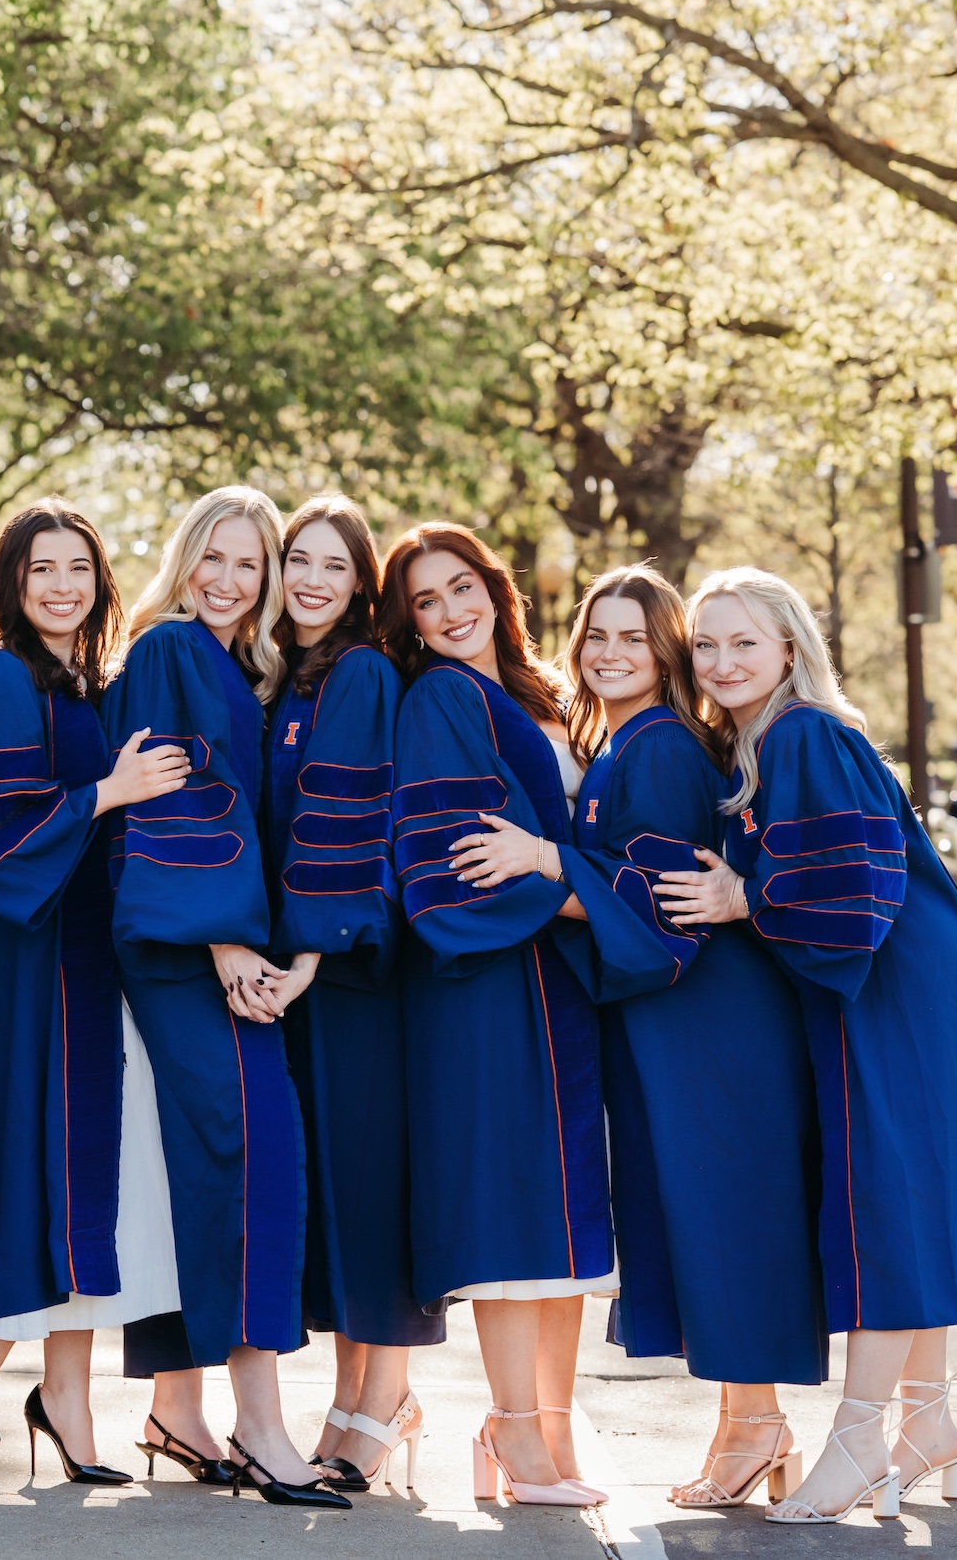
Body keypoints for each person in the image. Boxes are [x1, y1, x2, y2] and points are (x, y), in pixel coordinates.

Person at [654, 567, 957, 1525]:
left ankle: (856, 1437)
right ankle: (927, 1421)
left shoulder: (805, 733)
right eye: (707, 646)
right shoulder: (766, 741)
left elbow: (854, 893)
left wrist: (745, 896)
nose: (722, 663)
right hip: (905, 986)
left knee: (881, 1210)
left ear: (792, 649)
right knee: (909, 1203)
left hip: (889, 990)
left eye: (744, 643)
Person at [452, 565, 829, 1510]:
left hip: (709, 1021)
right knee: (706, 1218)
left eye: (635, 637)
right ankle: (749, 1425)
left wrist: (542, 857)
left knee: (727, 1217)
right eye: (596, 635)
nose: (611, 652)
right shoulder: (623, 740)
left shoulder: (658, 747)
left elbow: (660, 902)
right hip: (671, 1017)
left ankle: (756, 1424)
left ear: (665, 652)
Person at [101, 486, 346, 1510]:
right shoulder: (166, 648)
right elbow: (175, 807)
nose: (231, 578)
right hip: (187, 945)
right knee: (256, 1147)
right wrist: (225, 938)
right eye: (215, 554)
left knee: (206, 1161)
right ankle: (260, 1424)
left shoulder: (248, 670)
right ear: (185, 555)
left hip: (214, 942)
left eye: (252, 562)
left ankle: (178, 1407)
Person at [0, 499, 188, 1487]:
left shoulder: (93, 680)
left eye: (76, 567)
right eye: (38, 568)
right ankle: (1, 1354)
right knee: (62, 1171)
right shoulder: (3, 678)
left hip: (96, 959)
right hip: (36, 962)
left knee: (96, 1182)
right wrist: (102, 796)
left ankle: (58, 1393)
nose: (58, 585)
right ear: (10, 582)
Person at [382, 523, 610, 1510]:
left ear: (494, 587)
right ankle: (513, 1428)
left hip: (559, 987)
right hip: (485, 988)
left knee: (561, 1227)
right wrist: (595, 898)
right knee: (512, 1212)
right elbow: (454, 863)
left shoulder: (547, 696)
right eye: (424, 601)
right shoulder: (439, 698)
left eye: (460, 585)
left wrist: (576, 882)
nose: (448, 610)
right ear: (410, 624)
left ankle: (543, 1437)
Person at [264, 496, 435, 1494]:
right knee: (333, 1185)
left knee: (368, 1184)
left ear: (361, 581)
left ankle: (387, 1397)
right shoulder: (295, 678)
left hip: (349, 971)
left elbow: (357, 813)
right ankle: (349, 1394)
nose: (312, 579)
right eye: (299, 559)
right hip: (304, 973)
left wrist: (319, 950)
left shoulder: (361, 671)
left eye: (333, 565)